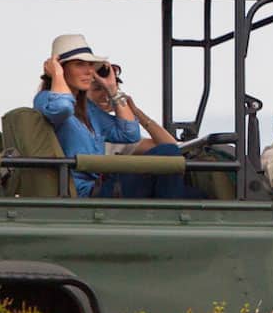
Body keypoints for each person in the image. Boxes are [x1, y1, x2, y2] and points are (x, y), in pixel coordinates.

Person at [35, 33, 203, 200]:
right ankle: (172, 216)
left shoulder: (89, 110)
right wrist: (56, 75)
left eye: (90, 65)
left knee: (198, 195)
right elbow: (62, 108)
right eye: (80, 64)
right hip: (85, 192)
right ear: (60, 67)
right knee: (167, 153)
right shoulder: (46, 99)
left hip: (104, 185)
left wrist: (112, 90)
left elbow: (129, 133)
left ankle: (173, 211)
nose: (89, 71)